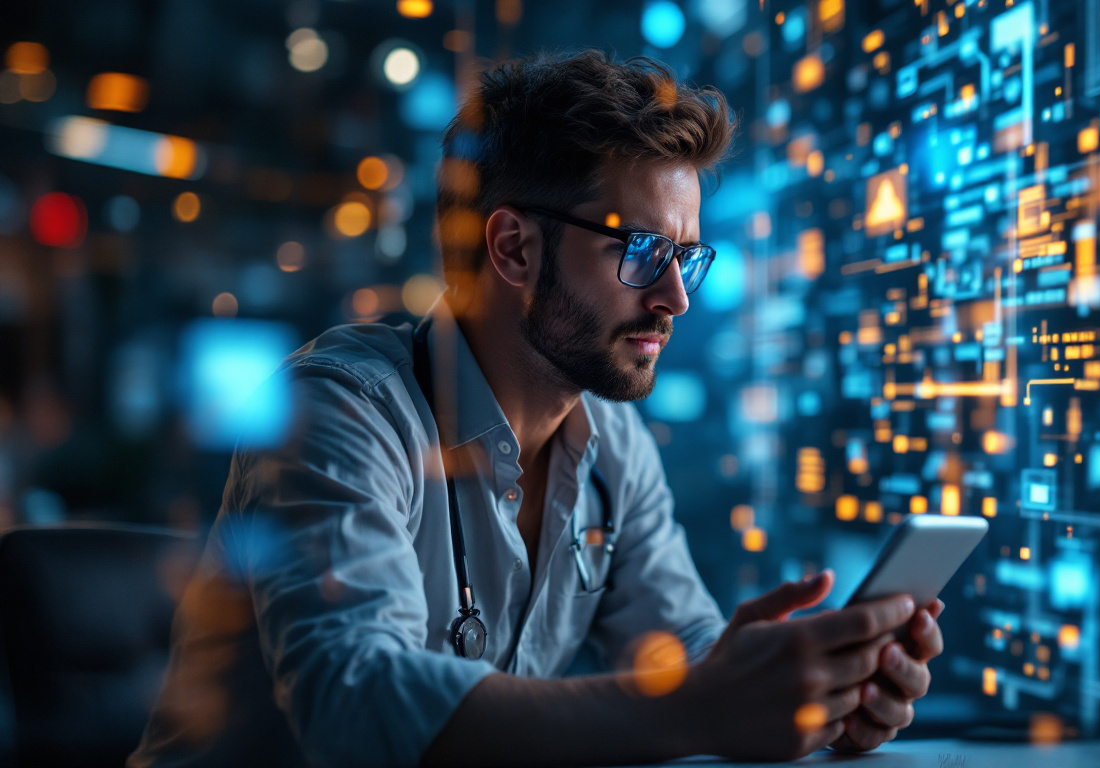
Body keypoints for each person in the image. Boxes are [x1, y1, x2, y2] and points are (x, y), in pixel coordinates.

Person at [130, 49, 945, 768]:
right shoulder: (338, 412)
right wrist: (703, 705)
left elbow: (683, 655)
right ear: (514, 248)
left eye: (686, 258)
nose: (674, 300)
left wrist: (802, 689)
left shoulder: (612, 443)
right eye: (640, 251)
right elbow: (356, 703)